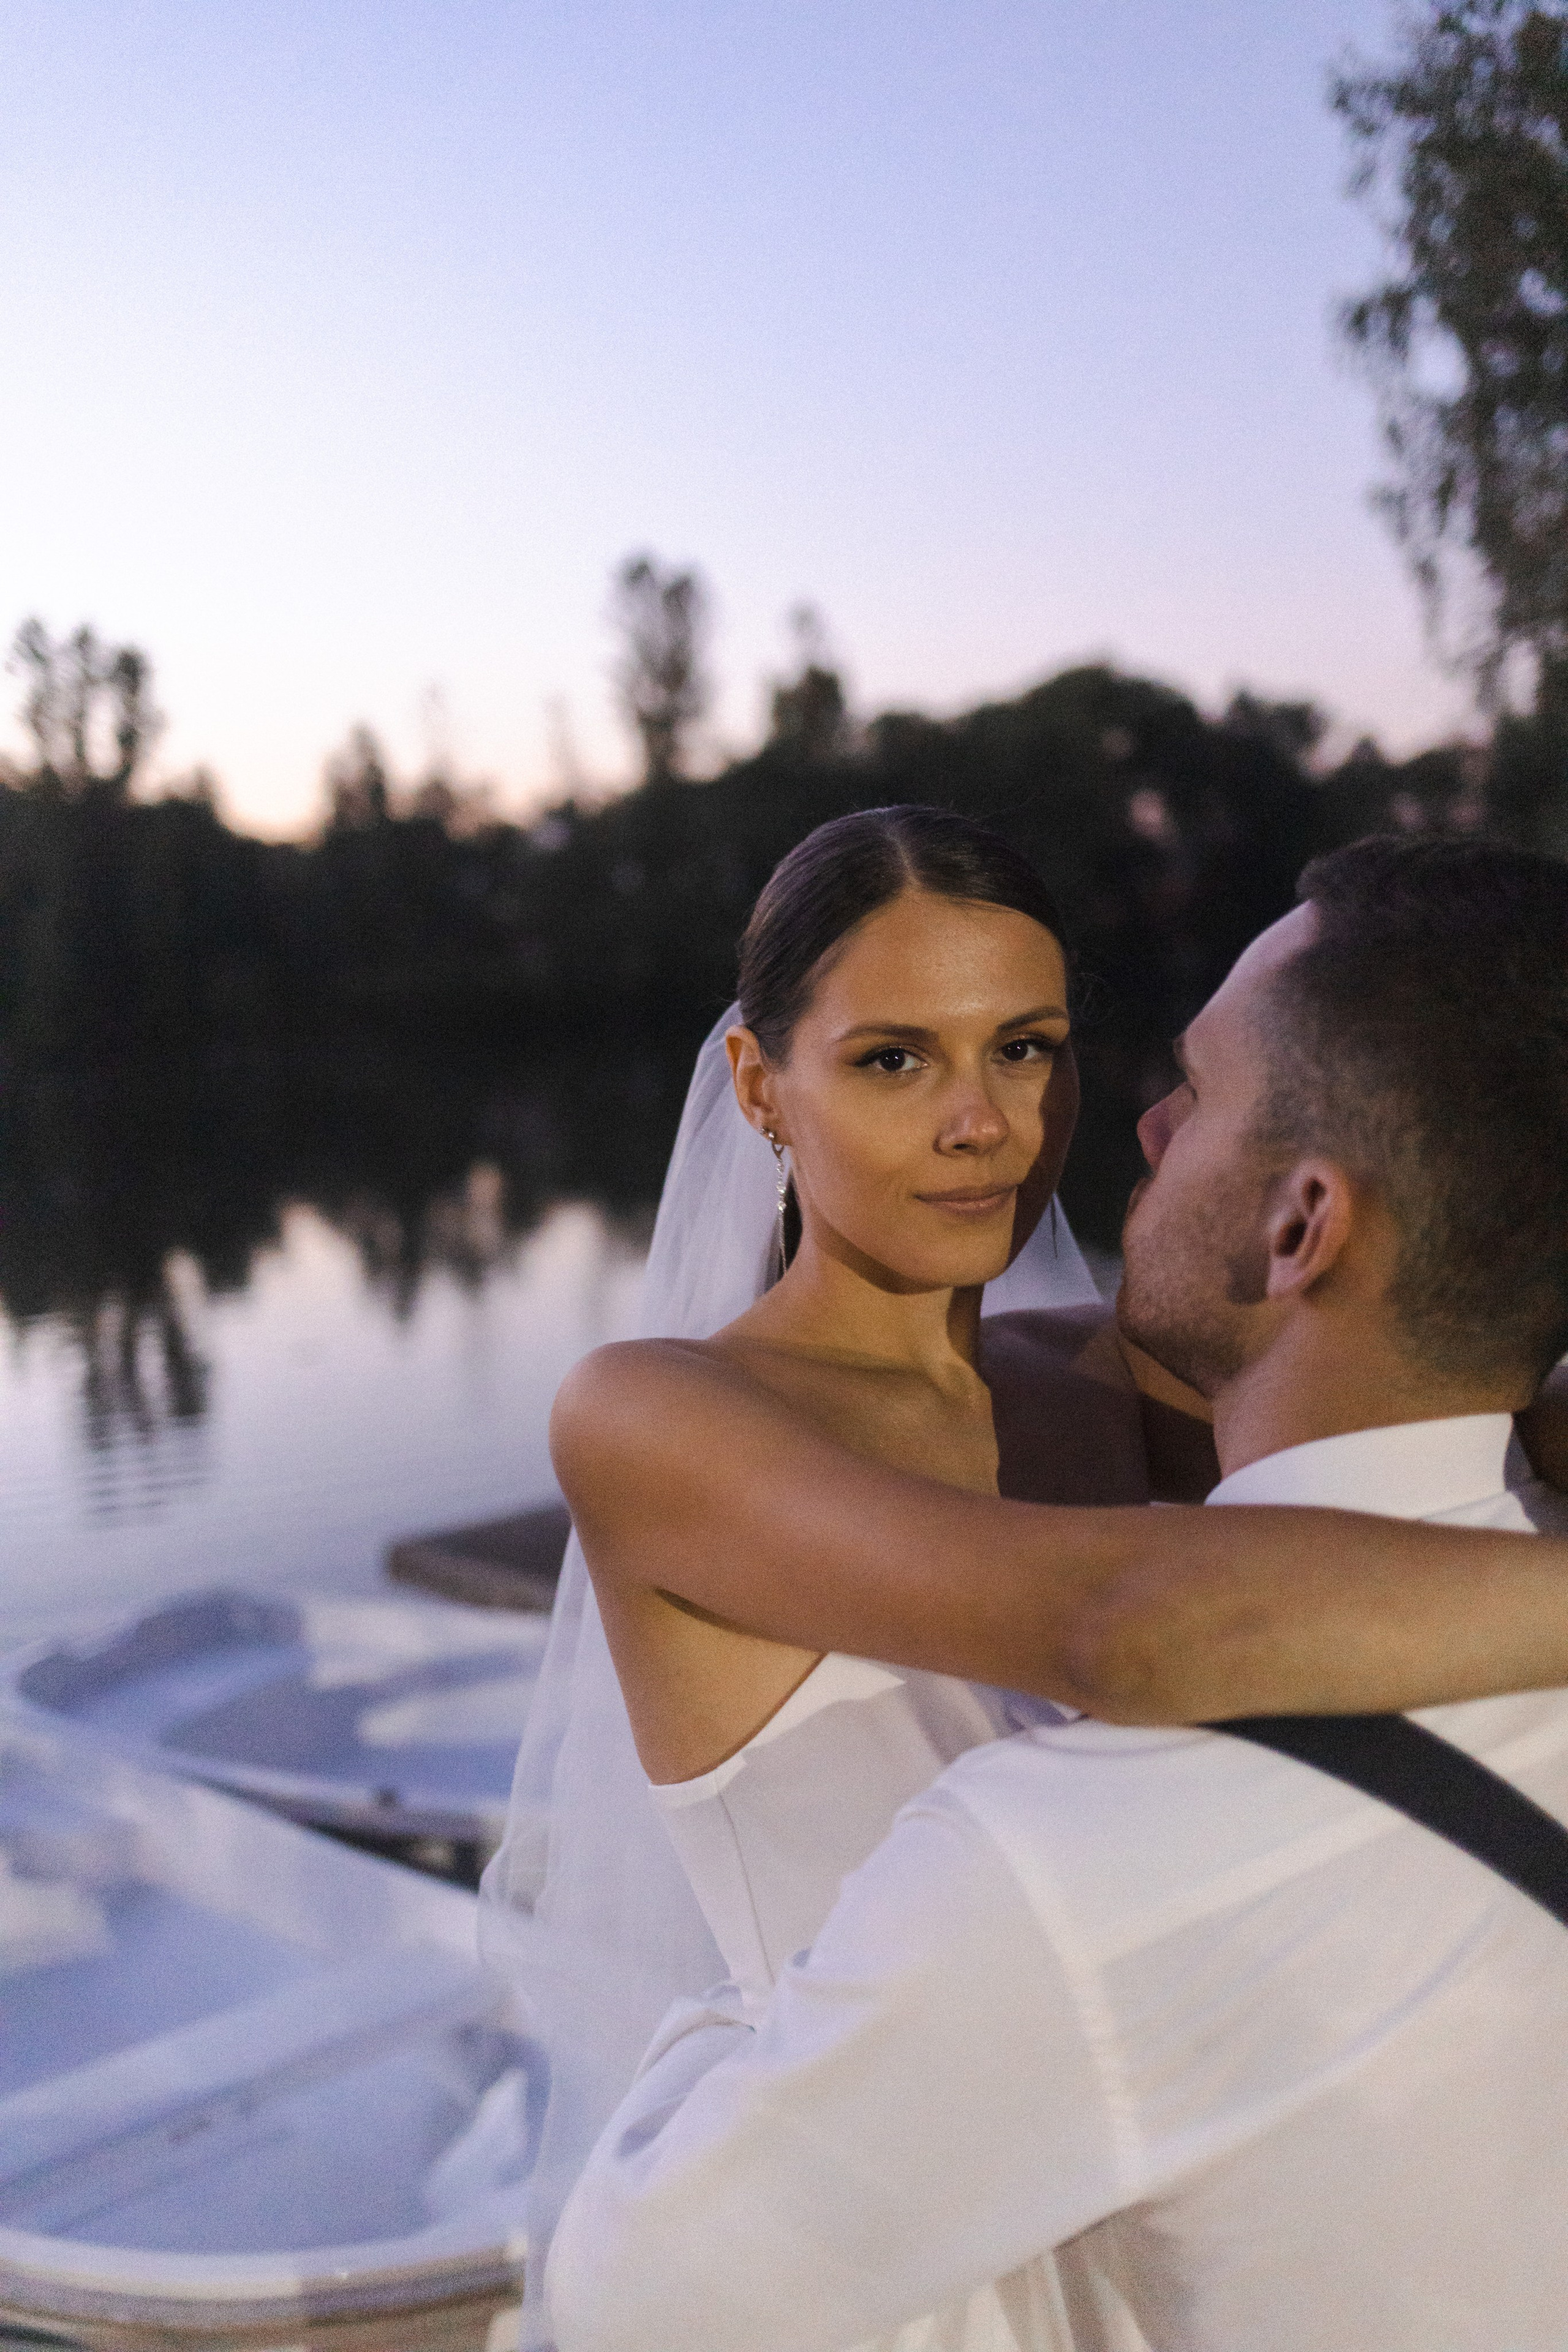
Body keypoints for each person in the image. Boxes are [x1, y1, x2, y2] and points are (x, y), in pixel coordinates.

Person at [481, 810, 1568, 2345]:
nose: (980, 1124)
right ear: (760, 1087)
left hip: (1148, 2184)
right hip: (847, 2217)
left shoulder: (1128, 1373)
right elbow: (1109, 1624)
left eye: (1025, 1050)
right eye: (892, 1061)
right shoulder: (658, 1421)